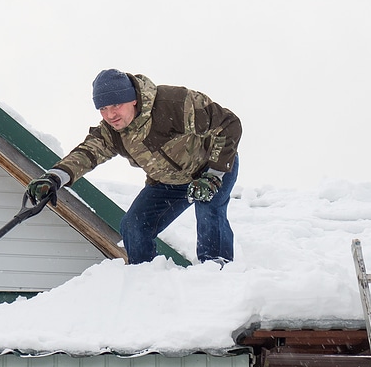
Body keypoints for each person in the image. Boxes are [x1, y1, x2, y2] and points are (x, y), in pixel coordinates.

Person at [26, 69, 242, 265]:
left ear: (133, 100)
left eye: (116, 105)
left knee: (208, 209)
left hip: (213, 167)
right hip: (168, 182)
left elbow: (228, 124)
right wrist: (54, 178)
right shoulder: (112, 132)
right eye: (103, 108)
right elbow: (86, 154)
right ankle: (144, 278)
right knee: (134, 226)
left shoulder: (174, 104)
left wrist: (213, 175)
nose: (111, 115)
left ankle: (217, 271)